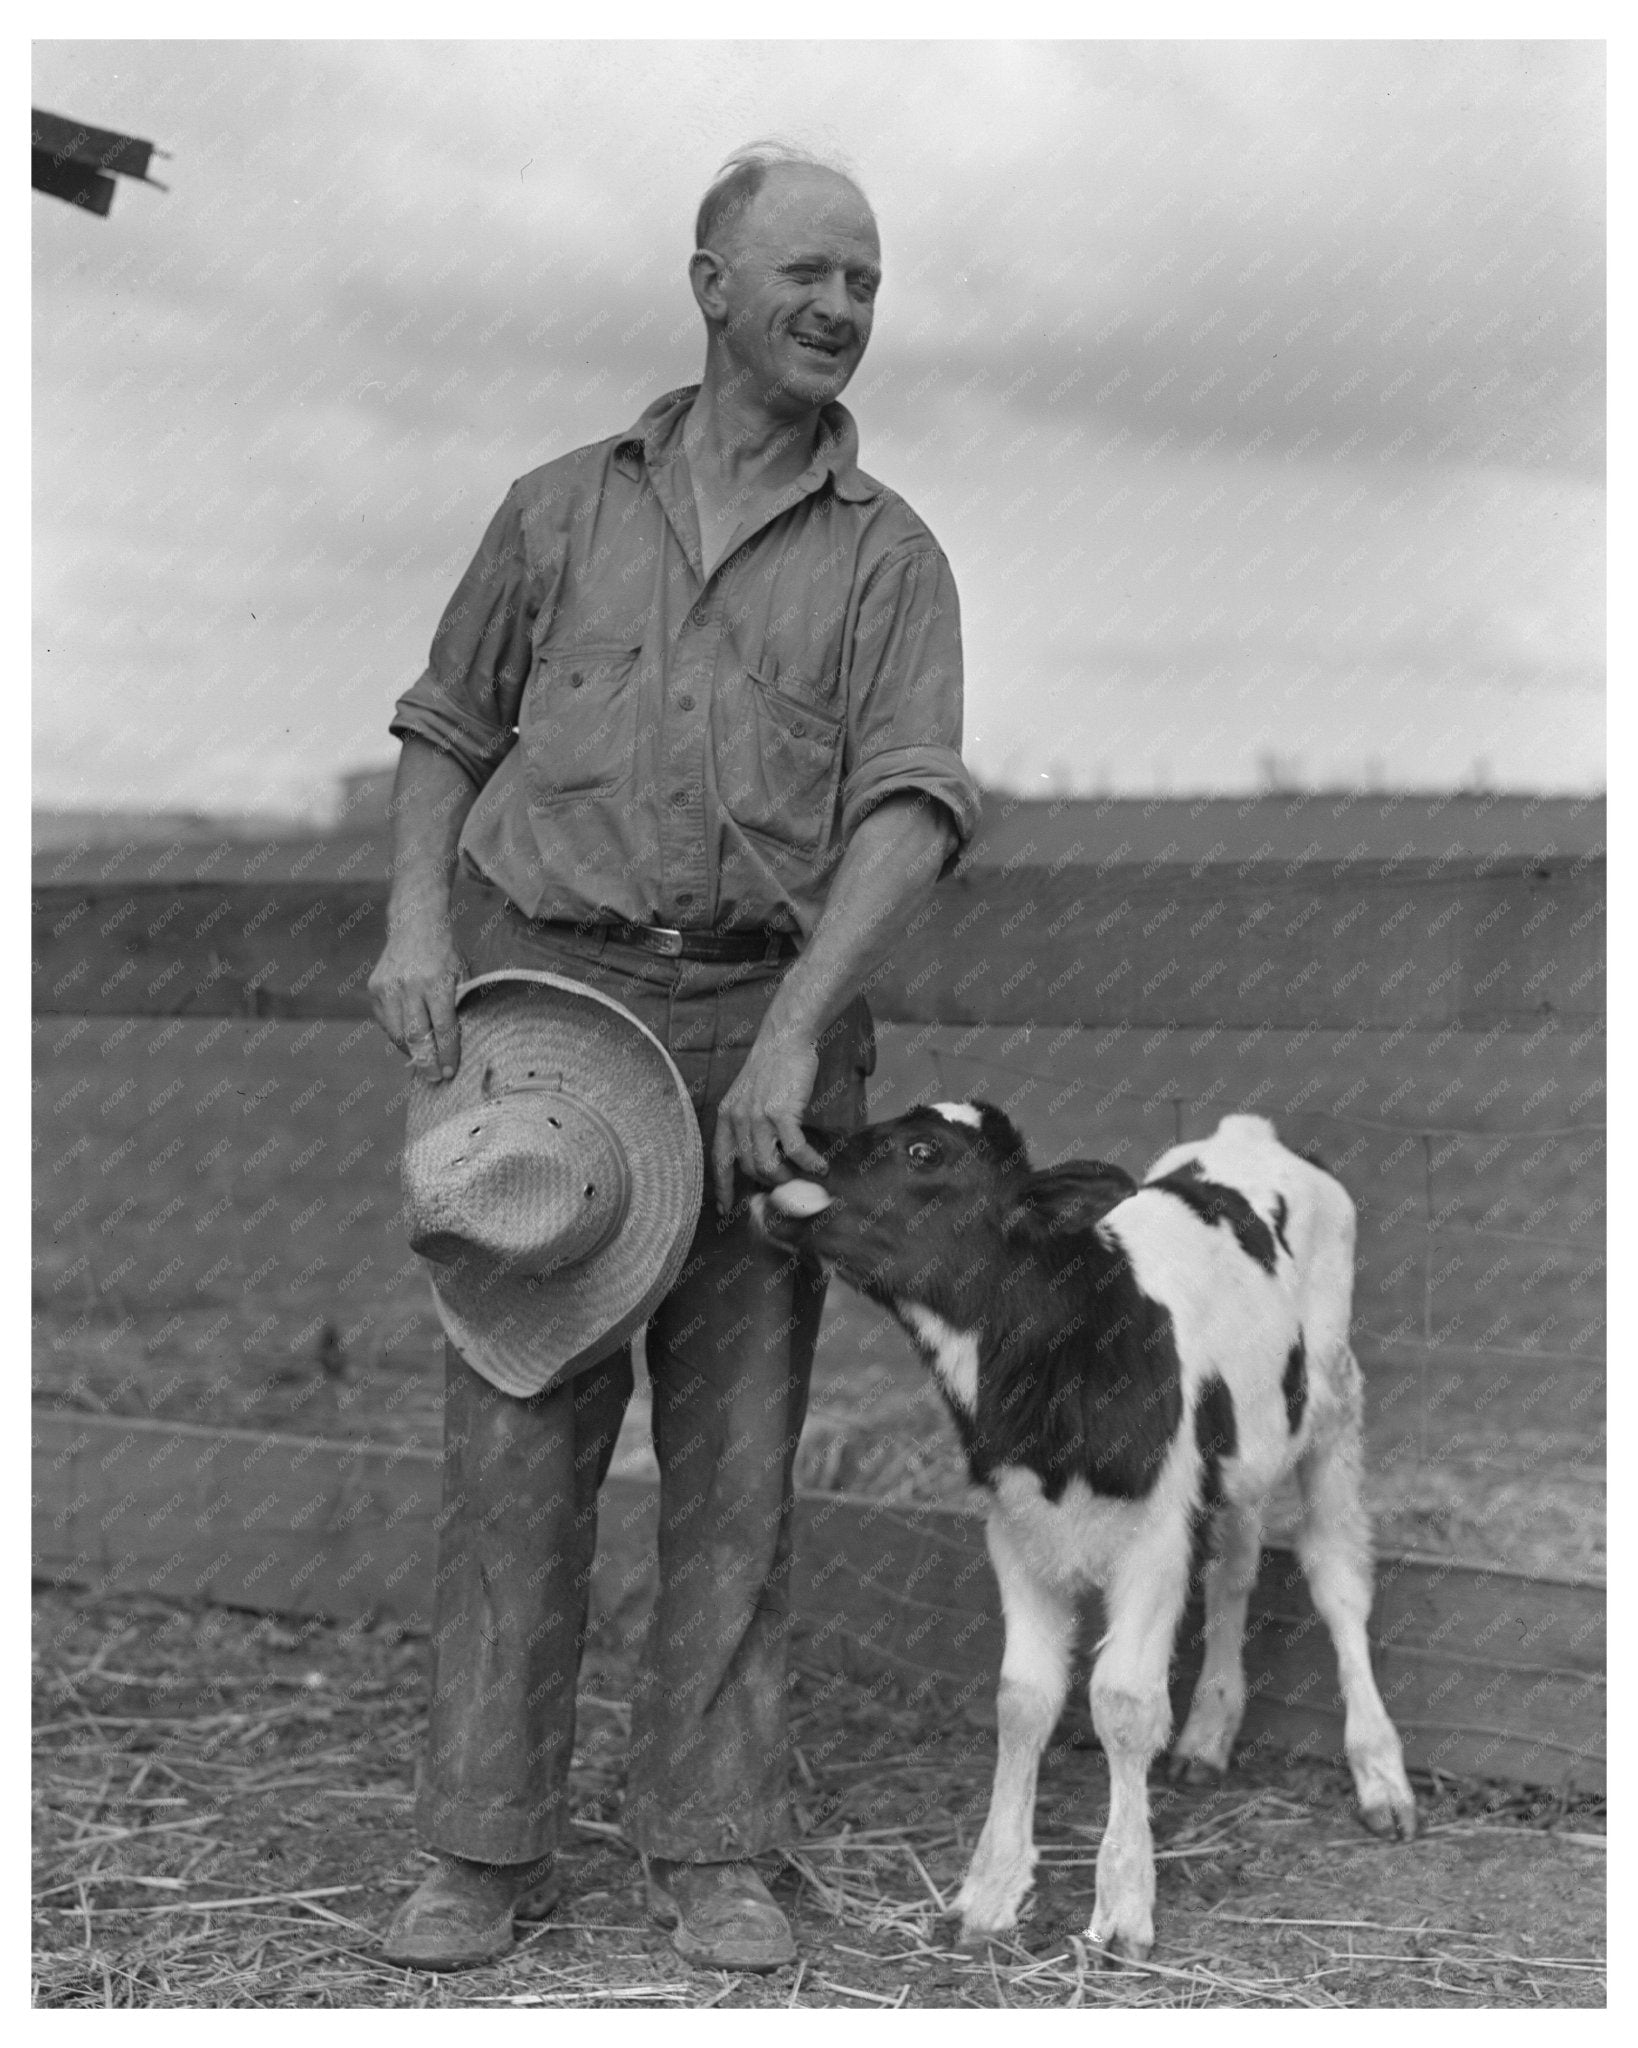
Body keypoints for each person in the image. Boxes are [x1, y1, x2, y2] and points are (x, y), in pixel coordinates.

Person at [368, 140, 981, 1974]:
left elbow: (912, 807)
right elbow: (442, 719)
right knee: (515, 1447)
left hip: (764, 1032)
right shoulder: (554, 509)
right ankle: (481, 1850)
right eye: (807, 271)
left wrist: (792, 1031)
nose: (840, 308)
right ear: (708, 282)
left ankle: (712, 1845)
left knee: (734, 1462)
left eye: (865, 281)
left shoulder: (891, 560)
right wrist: (414, 919)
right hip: (549, 1029)